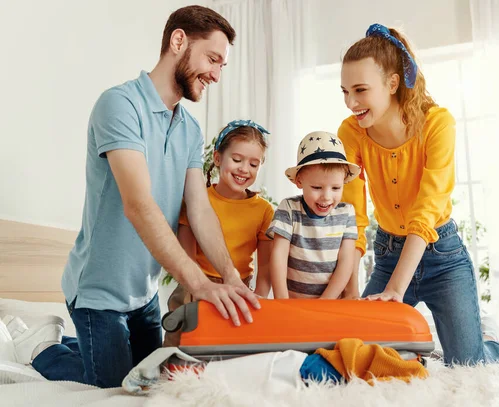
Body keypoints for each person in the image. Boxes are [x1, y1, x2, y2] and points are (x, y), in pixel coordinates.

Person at [29, 6, 260, 388]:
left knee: (152, 383)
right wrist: (199, 285)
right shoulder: (119, 105)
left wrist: (230, 276)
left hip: (143, 294)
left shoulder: (188, 128)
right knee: (118, 387)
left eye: (223, 65)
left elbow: (199, 210)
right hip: (98, 295)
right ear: (178, 41)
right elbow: (138, 205)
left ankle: (76, 347)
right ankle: (45, 351)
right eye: (213, 59)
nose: (217, 74)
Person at [338, 23, 499, 365]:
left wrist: (396, 291)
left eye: (360, 89)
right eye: (344, 91)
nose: (351, 102)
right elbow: (353, 214)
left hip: (442, 256)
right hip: (388, 256)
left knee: (467, 364)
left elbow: (428, 208)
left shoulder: (437, 124)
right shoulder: (350, 132)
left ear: (392, 83)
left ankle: (488, 340)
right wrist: (351, 291)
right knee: (359, 350)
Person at [164, 120, 274, 346]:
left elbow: (265, 268)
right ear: (217, 158)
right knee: (181, 345)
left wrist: (259, 301)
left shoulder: (264, 210)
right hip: (194, 283)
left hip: (239, 286)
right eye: (237, 160)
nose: (245, 169)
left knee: (228, 350)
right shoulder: (197, 200)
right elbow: (186, 256)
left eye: (254, 164)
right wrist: (197, 289)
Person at [267, 131, 360, 299]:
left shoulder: (347, 213)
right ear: (299, 181)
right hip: (293, 303)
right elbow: (278, 256)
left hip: (330, 303)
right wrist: (282, 300)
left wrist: (326, 301)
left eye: (336, 188)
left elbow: (346, 261)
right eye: (317, 188)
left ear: (344, 181)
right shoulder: (288, 208)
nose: (327, 197)